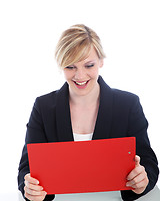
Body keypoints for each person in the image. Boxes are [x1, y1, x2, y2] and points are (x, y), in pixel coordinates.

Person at [18, 24, 159, 201]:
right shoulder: (43, 106)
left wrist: (143, 181)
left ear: (101, 61)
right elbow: (26, 167)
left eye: (89, 65)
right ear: (61, 66)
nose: (80, 76)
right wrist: (29, 188)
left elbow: (149, 163)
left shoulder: (128, 104)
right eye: (70, 67)